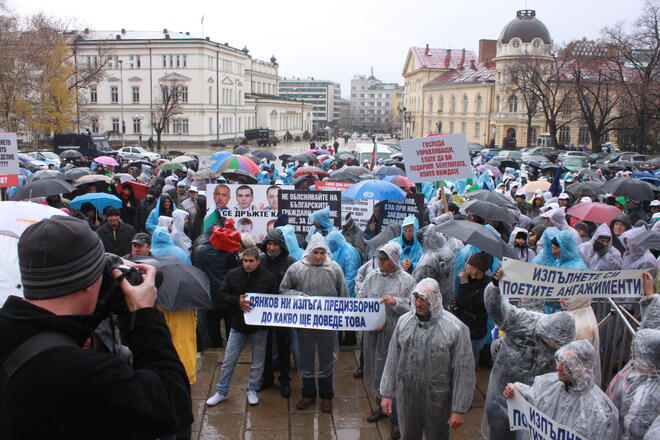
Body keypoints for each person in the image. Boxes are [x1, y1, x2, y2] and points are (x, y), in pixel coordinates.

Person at [0, 216, 192, 438]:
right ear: (90, 282)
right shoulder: (86, 373)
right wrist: (144, 316)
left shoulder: (11, 332)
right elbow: (173, 402)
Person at [484, 268, 576, 440]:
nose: (552, 348)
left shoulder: (561, 347)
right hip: (501, 397)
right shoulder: (523, 320)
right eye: (551, 343)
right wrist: (495, 286)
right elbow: (496, 309)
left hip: (533, 408)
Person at [380, 278, 475, 440]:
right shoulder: (404, 323)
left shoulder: (455, 329)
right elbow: (392, 359)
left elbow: (463, 371)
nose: (419, 303)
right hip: (407, 396)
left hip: (438, 400)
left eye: (424, 298)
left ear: (437, 298)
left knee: (437, 436)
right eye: (416, 298)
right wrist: (386, 393)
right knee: (408, 435)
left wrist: (459, 409)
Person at [280, 233, 348, 413]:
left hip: (327, 324)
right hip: (304, 324)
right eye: (315, 252)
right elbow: (284, 290)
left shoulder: (334, 269)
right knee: (305, 358)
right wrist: (298, 296)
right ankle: (308, 393)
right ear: (309, 251)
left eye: (321, 253)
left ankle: (326, 395)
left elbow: (344, 296)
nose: (318, 256)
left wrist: (342, 320)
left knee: (327, 358)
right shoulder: (296, 269)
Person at [206, 247, 278, 407]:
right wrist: (236, 301)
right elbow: (222, 293)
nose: (247, 264)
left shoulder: (268, 277)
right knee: (228, 361)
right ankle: (221, 391)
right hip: (237, 327)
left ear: (258, 261)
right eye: (245, 261)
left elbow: (275, 300)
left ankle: (252, 388)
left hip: (259, 329)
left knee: (258, 362)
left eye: (251, 261)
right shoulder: (232, 274)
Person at [503, 340, 619, 440]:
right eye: (559, 361)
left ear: (584, 368)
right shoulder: (549, 383)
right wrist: (516, 391)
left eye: (566, 364)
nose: (558, 368)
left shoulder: (601, 412)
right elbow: (534, 398)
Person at [359, 242, 415, 438]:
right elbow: (361, 298)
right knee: (376, 370)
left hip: (396, 335)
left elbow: (414, 307)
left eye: (384, 259)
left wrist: (395, 302)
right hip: (374, 334)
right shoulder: (371, 276)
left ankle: (397, 418)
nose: (380, 263)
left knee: (394, 373)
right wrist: (370, 320)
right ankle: (381, 406)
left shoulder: (407, 280)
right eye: (379, 259)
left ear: (394, 260)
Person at [259, 228, 296, 397]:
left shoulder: (290, 263)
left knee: (283, 346)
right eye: (269, 244)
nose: (271, 248)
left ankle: (284, 379)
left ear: (281, 246)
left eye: (275, 244)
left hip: (283, 313)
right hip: (263, 313)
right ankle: (266, 378)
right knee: (264, 347)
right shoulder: (260, 261)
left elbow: (296, 286)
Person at [191, 220, 240, 348]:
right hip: (226, 293)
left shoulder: (200, 251)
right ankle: (231, 343)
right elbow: (234, 271)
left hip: (210, 293)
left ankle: (215, 343)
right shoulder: (229, 253)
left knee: (212, 322)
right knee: (229, 321)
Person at [607, 328, 660, 440]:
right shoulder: (633, 374)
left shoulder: (647, 392)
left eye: (636, 351)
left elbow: (635, 429)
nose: (632, 354)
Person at [451, 252, 492, 360]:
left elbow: (469, 303)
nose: (465, 265)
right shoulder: (471, 279)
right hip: (463, 327)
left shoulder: (486, 287)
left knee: (468, 361)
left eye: (468, 264)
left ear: (476, 269)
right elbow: (460, 299)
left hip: (474, 333)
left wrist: (463, 282)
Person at [325, 230, 360, 298]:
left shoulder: (349, 253)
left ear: (334, 242)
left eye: (330, 243)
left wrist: (346, 296)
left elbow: (351, 276)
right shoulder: (339, 249)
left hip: (349, 292)